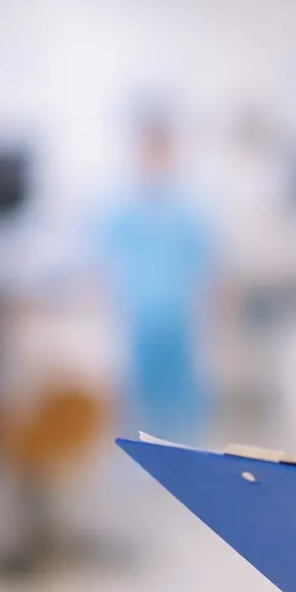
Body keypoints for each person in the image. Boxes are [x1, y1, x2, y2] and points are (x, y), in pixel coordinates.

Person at [96, 114, 217, 444]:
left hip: (179, 316)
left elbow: (207, 267)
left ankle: (188, 456)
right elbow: (102, 263)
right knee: (136, 393)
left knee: (182, 394)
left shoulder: (189, 210)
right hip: (138, 315)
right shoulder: (122, 210)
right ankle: (136, 458)